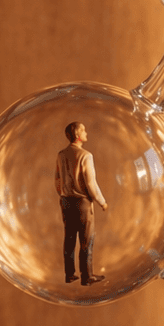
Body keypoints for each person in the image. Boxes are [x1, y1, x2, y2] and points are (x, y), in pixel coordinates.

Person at [54, 121, 108, 285]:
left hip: (66, 202)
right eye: (83, 130)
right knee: (86, 239)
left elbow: (57, 179)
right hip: (82, 203)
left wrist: (63, 194)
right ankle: (87, 275)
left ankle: (69, 274)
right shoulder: (86, 155)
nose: (86, 133)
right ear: (77, 134)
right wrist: (101, 201)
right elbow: (91, 184)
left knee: (69, 239)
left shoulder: (61, 154)